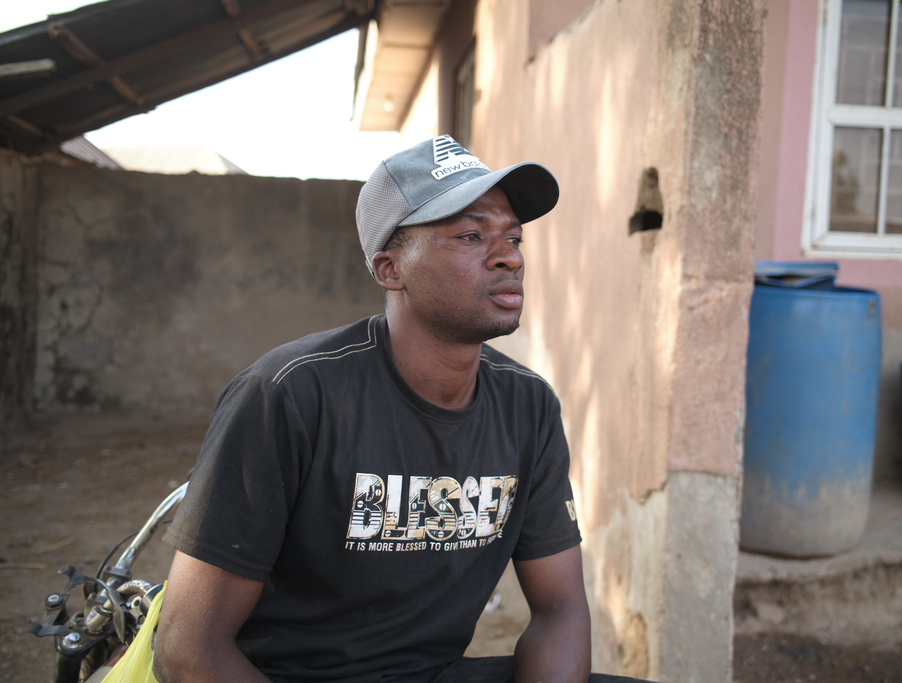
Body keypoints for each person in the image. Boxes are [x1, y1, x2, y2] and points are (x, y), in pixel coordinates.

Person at [153, 136, 643, 683]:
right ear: (390, 269)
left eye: (513, 237)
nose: (510, 256)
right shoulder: (289, 395)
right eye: (470, 235)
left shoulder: (528, 408)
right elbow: (188, 649)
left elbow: (560, 610)